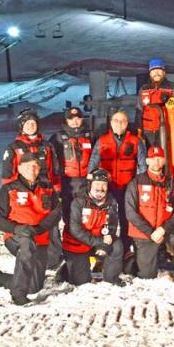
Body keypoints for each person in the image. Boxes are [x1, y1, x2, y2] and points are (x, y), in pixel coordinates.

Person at [0, 152, 62, 305]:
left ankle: (3, 278)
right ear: (20, 168)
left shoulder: (47, 188)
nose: (32, 169)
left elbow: (56, 213)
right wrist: (17, 228)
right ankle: (18, 295)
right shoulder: (9, 189)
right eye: (28, 166)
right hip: (16, 237)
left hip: (40, 238)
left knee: (34, 286)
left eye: (35, 166)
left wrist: (40, 228)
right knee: (26, 245)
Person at [125, 145, 174, 282]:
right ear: (147, 161)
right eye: (153, 158)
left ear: (164, 161)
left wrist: (163, 229)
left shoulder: (171, 184)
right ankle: (130, 261)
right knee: (147, 276)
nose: (156, 162)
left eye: (159, 158)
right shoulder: (136, 182)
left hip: (165, 230)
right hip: (144, 234)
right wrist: (151, 232)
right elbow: (131, 213)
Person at [1, 108, 63, 267]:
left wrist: (57, 190)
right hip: (23, 194)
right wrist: (12, 196)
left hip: (45, 192)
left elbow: (54, 171)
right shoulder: (14, 148)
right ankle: (26, 253)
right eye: (27, 123)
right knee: (27, 224)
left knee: (50, 224)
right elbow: (7, 177)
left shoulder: (47, 146)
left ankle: (52, 259)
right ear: (21, 126)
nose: (31, 126)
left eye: (33, 123)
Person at [88, 109, 146, 269]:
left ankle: (127, 250)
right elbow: (93, 163)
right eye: (116, 121)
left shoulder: (135, 141)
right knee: (104, 219)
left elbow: (142, 165)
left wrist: (138, 186)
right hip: (108, 188)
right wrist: (92, 185)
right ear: (111, 123)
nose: (119, 124)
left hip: (128, 187)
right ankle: (101, 250)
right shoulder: (102, 141)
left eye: (123, 121)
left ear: (127, 124)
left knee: (127, 219)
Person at [61, 168, 125, 286]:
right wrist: (99, 242)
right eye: (97, 184)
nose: (100, 188)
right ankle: (66, 270)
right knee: (81, 282)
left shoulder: (111, 202)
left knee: (117, 246)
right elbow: (75, 230)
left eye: (104, 184)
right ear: (90, 185)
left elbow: (111, 226)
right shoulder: (78, 202)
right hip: (78, 244)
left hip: (98, 241)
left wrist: (105, 244)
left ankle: (111, 279)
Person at [134, 58, 174, 148]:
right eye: (153, 70)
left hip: (166, 130)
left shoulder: (173, 87)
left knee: (166, 156)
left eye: (159, 70)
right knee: (150, 158)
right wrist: (139, 132)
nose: (156, 73)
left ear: (164, 72)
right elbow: (139, 111)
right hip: (148, 132)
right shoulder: (143, 89)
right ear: (150, 73)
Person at [50, 106, 94, 227]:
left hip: (86, 182)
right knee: (68, 214)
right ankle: (70, 242)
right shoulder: (58, 138)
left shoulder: (90, 136)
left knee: (85, 214)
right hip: (67, 182)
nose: (75, 121)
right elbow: (52, 160)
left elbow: (97, 157)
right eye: (71, 118)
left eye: (78, 118)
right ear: (66, 121)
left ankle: (86, 242)